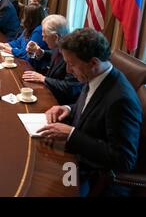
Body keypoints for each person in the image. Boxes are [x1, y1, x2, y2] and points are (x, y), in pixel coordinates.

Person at [37, 28, 142, 196]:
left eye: (71, 64)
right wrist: (68, 108)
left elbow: (123, 160)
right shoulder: (95, 75)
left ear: (93, 62)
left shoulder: (122, 100)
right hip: (77, 156)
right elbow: (90, 105)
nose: (68, 70)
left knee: (38, 185)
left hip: (90, 173)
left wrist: (71, 134)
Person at [22, 14, 82, 105]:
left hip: (59, 104)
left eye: (45, 36)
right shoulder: (60, 46)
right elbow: (54, 55)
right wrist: (41, 52)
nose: (43, 39)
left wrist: (43, 79)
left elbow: (70, 87)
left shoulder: (72, 54)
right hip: (49, 94)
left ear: (56, 37)